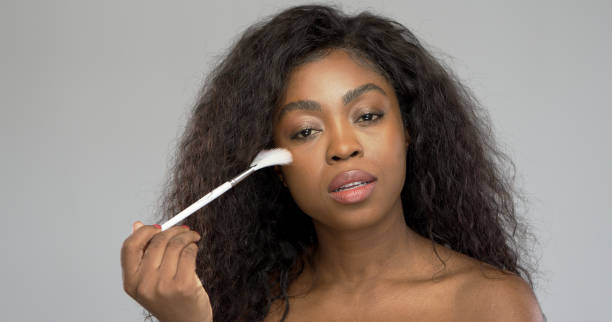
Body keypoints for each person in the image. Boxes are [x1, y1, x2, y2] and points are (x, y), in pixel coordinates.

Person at [121, 4, 544, 322]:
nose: (343, 147)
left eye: (367, 116)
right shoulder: (249, 309)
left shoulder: (489, 304)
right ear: (275, 166)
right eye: (306, 131)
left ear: (409, 129)